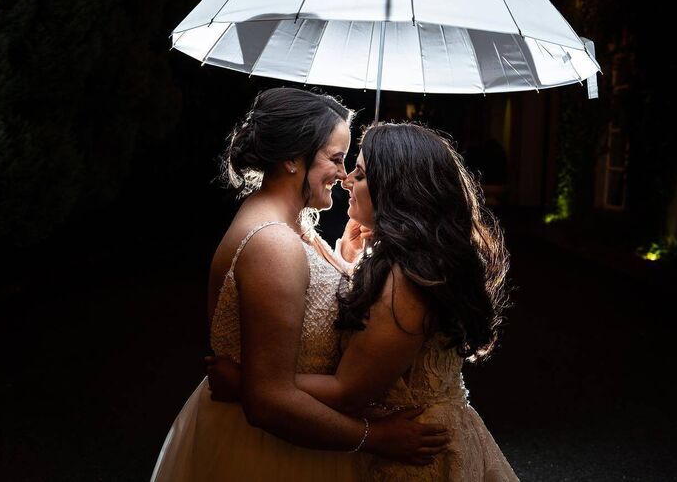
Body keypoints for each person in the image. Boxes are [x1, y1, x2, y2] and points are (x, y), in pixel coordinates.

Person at [151, 90, 449, 482]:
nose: (344, 175)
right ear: (292, 158)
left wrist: (348, 260)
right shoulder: (273, 243)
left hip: (303, 433)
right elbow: (267, 401)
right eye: (336, 159)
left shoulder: (288, 222)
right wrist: (374, 437)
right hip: (269, 450)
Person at [209, 122, 518, 481]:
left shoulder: (407, 281)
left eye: (360, 174)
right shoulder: (411, 262)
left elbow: (347, 392)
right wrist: (353, 259)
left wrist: (247, 382)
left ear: (396, 189)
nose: (346, 180)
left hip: (415, 452)